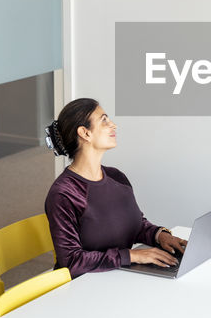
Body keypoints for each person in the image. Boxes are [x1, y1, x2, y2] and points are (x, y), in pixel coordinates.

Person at [42, 97, 187, 276]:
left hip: (119, 276)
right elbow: (72, 262)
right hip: (84, 287)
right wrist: (131, 256)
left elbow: (134, 225)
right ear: (85, 133)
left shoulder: (116, 177)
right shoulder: (64, 194)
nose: (113, 125)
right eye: (104, 120)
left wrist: (160, 235)